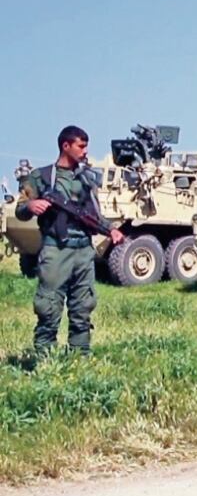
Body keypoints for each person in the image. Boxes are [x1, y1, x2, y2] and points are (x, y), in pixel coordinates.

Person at [15, 125, 124, 356]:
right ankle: (45, 358)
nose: (85, 151)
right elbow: (20, 208)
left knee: (83, 306)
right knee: (49, 306)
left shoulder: (86, 179)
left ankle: (79, 356)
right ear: (66, 146)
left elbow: (93, 216)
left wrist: (110, 230)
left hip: (83, 250)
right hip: (56, 250)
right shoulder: (42, 177)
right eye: (81, 146)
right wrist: (31, 206)